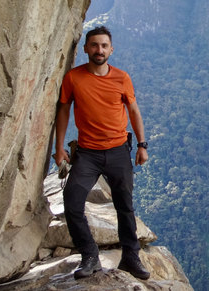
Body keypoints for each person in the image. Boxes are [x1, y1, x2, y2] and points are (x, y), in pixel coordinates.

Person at [54, 26, 150, 280]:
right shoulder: (73, 78)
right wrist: (59, 147)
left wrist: (142, 145)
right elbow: (63, 110)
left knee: (125, 206)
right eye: (94, 45)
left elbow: (134, 111)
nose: (99, 50)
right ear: (85, 48)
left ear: (111, 49)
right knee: (72, 200)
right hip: (87, 154)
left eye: (104, 46)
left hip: (119, 151)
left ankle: (131, 257)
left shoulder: (121, 78)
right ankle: (89, 255)